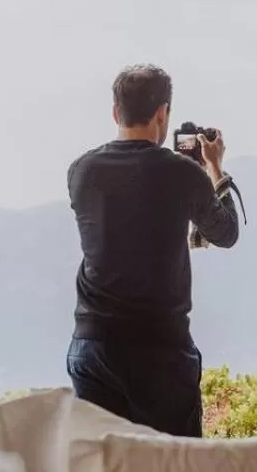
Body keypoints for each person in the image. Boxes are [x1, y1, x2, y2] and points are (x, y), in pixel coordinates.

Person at [65, 64, 240, 436]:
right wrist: (214, 168)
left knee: (103, 461)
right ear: (162, 113)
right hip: (158, 350)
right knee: (177, 464)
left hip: (92, 344)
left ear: (116, 112)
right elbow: (225, 233)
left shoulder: (81, 171)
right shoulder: (182, 174)